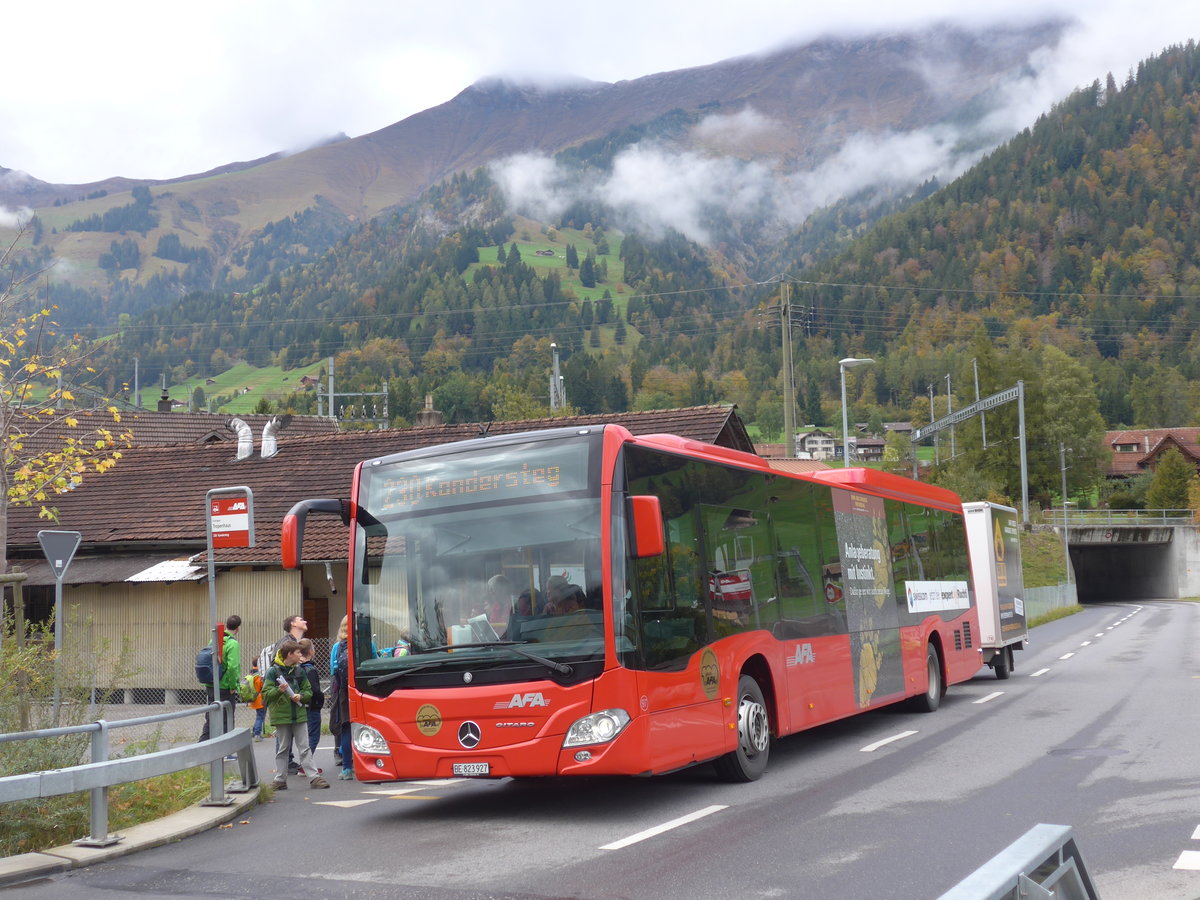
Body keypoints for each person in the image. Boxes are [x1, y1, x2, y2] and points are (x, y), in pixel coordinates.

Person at [263, 640, 329, 790]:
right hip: (281, 716)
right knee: (283, 748)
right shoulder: (273, 672)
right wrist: (279, 690)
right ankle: (280, 780)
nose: (301, 655)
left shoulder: (299, 671)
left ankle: (314, 778)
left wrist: (301, 696)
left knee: (304, 747)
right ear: (290, 654)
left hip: (299, 714)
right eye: (298, 652)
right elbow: (266, 695)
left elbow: (308, 691)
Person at [259, 614, 308, 773]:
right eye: (301, 619)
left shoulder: (291, 642)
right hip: (283, 693)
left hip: (287, 693)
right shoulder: (287, 643)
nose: (305, 621)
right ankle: (286, 763)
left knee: (286, 733)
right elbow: (278, 666)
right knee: (284, 733)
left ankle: (287, 761)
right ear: (293, 624)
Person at [199, 614, 241, 746]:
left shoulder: (214, 640)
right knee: (227, 718)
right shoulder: (232, 644)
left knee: (211, 716)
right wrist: (233, 685)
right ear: (238, 628)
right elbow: (233, 667)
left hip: (211, 684)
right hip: (225, 687)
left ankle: (203, 745)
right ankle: (226, 749)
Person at [329, 615, 354, 780]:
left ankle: (347, 768)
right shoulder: (366, 644)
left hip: (344, 694)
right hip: (363, 692)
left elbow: (333, 672)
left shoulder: (337, 648)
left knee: (346, 730)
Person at [298, 638, 324, 775]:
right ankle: (306, 766)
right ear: (310, 651)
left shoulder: (297, 668)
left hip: (301, 705)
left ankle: (304, 764)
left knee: (304, 736)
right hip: (313, 706)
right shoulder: (310, 669)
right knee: (313, 736)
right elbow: (315, 689)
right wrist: (321, 698)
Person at [243, 660, 266, 741]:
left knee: (258, 716)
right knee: (260, 717)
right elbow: (263, 686)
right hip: (260, 699)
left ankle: (254, 731)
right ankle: (257, 734)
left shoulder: (251, 673)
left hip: (253, 698)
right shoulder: (259, 675)